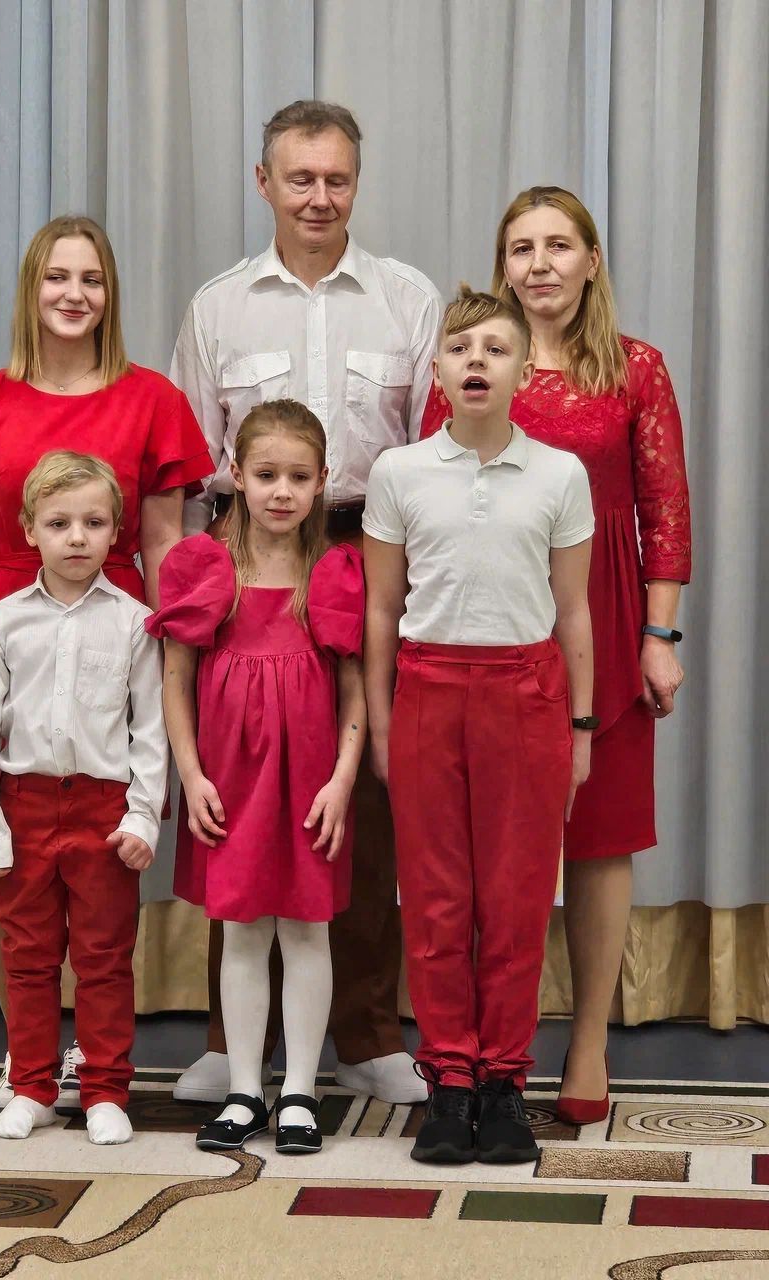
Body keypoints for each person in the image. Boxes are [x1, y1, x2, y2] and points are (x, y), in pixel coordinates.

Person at [170, 98, 442, 1106]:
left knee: (358, 790)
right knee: (238, 785)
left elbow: (435, 449)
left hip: (371, 549)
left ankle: (366, 1033)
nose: (319, 196)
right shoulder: (219, 307)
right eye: (300, 178)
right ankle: (230, 1042)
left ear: (355, 183)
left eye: (336, 179)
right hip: (245, 556)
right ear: (264, 183)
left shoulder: (407, 298)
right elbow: (191, 464)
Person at [0, 215, 213, 1109]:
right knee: (10, 855)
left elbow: (165, 545)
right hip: (11, 643)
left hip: (117, 642)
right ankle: (28, 1058)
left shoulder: (152, 399)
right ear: (31, 289)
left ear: (109, 293)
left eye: (90, 278)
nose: (73, 294)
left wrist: (175, 672)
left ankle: (101, 1057)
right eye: (57, 277)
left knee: (104, 853)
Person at [420, 188, 692, 1123]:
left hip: (603, 616)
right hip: (489, 615)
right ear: (503, 265)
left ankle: (587, 1043)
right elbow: (431, 490)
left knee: (601, 836)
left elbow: (664, 509)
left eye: (559, 246)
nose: (539, 264)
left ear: (591, 261)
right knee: (492, 843)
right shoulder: (470, 359)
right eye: (521, 248)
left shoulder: (636, 367)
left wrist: (659, 636)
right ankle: (486, 1051)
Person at [365, 286, 595, 1163]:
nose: (476, 362)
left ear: (522, 372)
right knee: (435, 897)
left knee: (516, 896)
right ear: (437, 370)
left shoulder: (558, 475)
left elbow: (572, 612)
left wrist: (579, 727)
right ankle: (450, 1082)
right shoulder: (401, 472)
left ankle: (503, 1082)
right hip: (428, 689)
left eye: (496, 350)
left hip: (526, 694)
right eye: (461, 349)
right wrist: (381, 723)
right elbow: (382, 610)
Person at [147, 401, 365, 1154]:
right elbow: (174, 679)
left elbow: (355, 692)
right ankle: (245, 1089)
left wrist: (342, 782)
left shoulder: (333, 571)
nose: (282, 491)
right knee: (241, 931)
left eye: (299, 477)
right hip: (230, 781)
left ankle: (300, 1091)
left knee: (306, 929)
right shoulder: (204, 565)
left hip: (310, 783)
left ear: (322, 481)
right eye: (266, 475)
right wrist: (191, 775)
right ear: (235, 475)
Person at [0, 451, 168, 1144]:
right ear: (29, 530)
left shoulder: (135, 623)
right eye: (59, 523)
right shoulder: (4, 621)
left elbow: (150, 731)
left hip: (103, 812)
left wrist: (143, 817)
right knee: (28, 956)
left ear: (116, 532)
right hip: (24, 806)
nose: (77, 537)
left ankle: (106, 1090)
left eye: (94, 523)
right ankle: (32, 1086)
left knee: (104, 956)